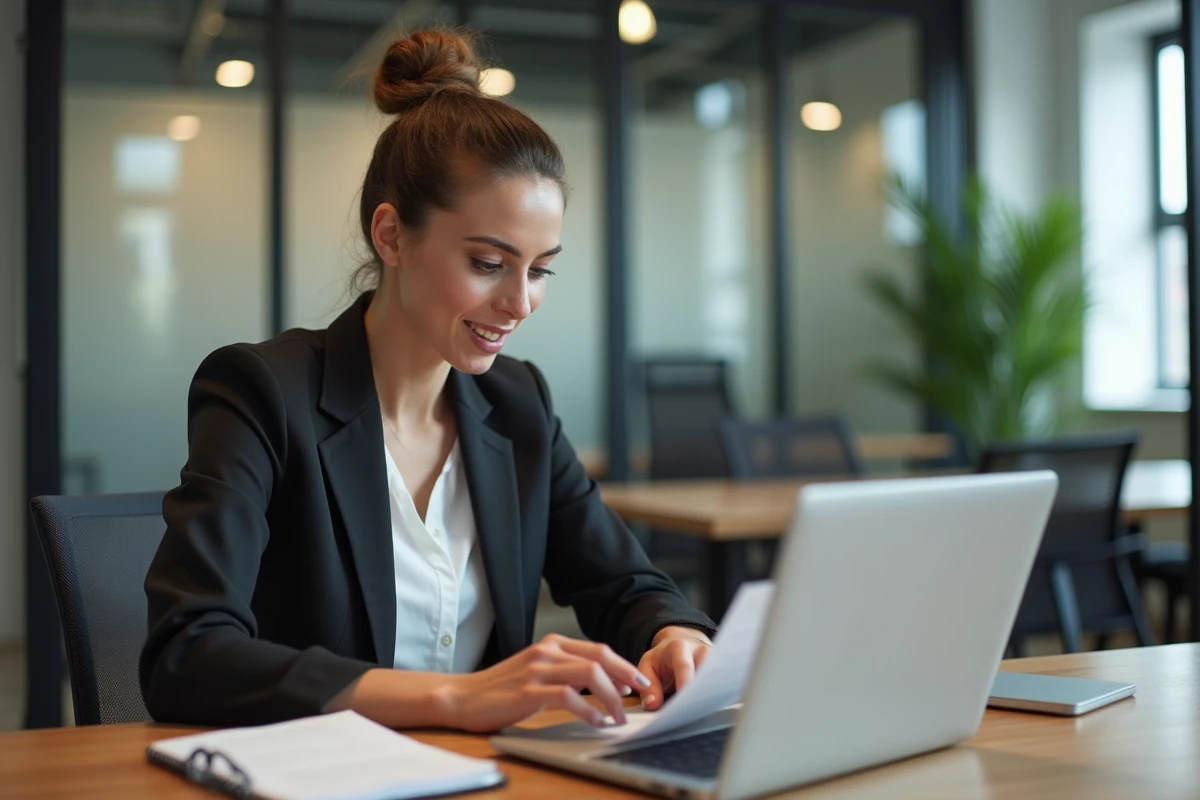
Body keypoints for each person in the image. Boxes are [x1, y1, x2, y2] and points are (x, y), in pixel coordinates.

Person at [139, 28, 716, 734]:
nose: (521, 301)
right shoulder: (264, 392)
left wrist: (673, 636)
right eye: (487, 262)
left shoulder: (517, 403)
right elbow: (187, 653)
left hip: (490, 777)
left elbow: (624, 583)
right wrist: (454, 699)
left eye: (539, 270)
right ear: (392, 236)